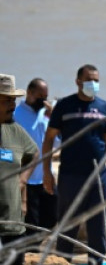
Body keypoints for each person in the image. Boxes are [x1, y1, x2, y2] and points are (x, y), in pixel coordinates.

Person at [43, 64, 106, 265]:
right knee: (68, 226)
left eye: (96, 80)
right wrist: (47, 172)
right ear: (77, 81)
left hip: (98, 177)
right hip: (70, 176)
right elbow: (49, 139)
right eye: (88, 80)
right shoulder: (64, 106)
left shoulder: (104, 107)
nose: (93, 84)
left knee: (98, 228)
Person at [0, 74, 39, 265]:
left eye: (14, 100)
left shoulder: (15, 131)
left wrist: (23, 180)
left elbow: (34, 153)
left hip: (12, 224)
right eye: (7, 100)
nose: (13, 105)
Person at [14, 78, 56, 232]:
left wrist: (54, 118)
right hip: (28, 180)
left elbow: (58, 142)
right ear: (30, 93)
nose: (43, 101)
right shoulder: (16, 115)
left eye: (46, 97)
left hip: (45, 176)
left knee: (52, 218)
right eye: (40, 97)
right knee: (32, 223)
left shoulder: (45, 114)